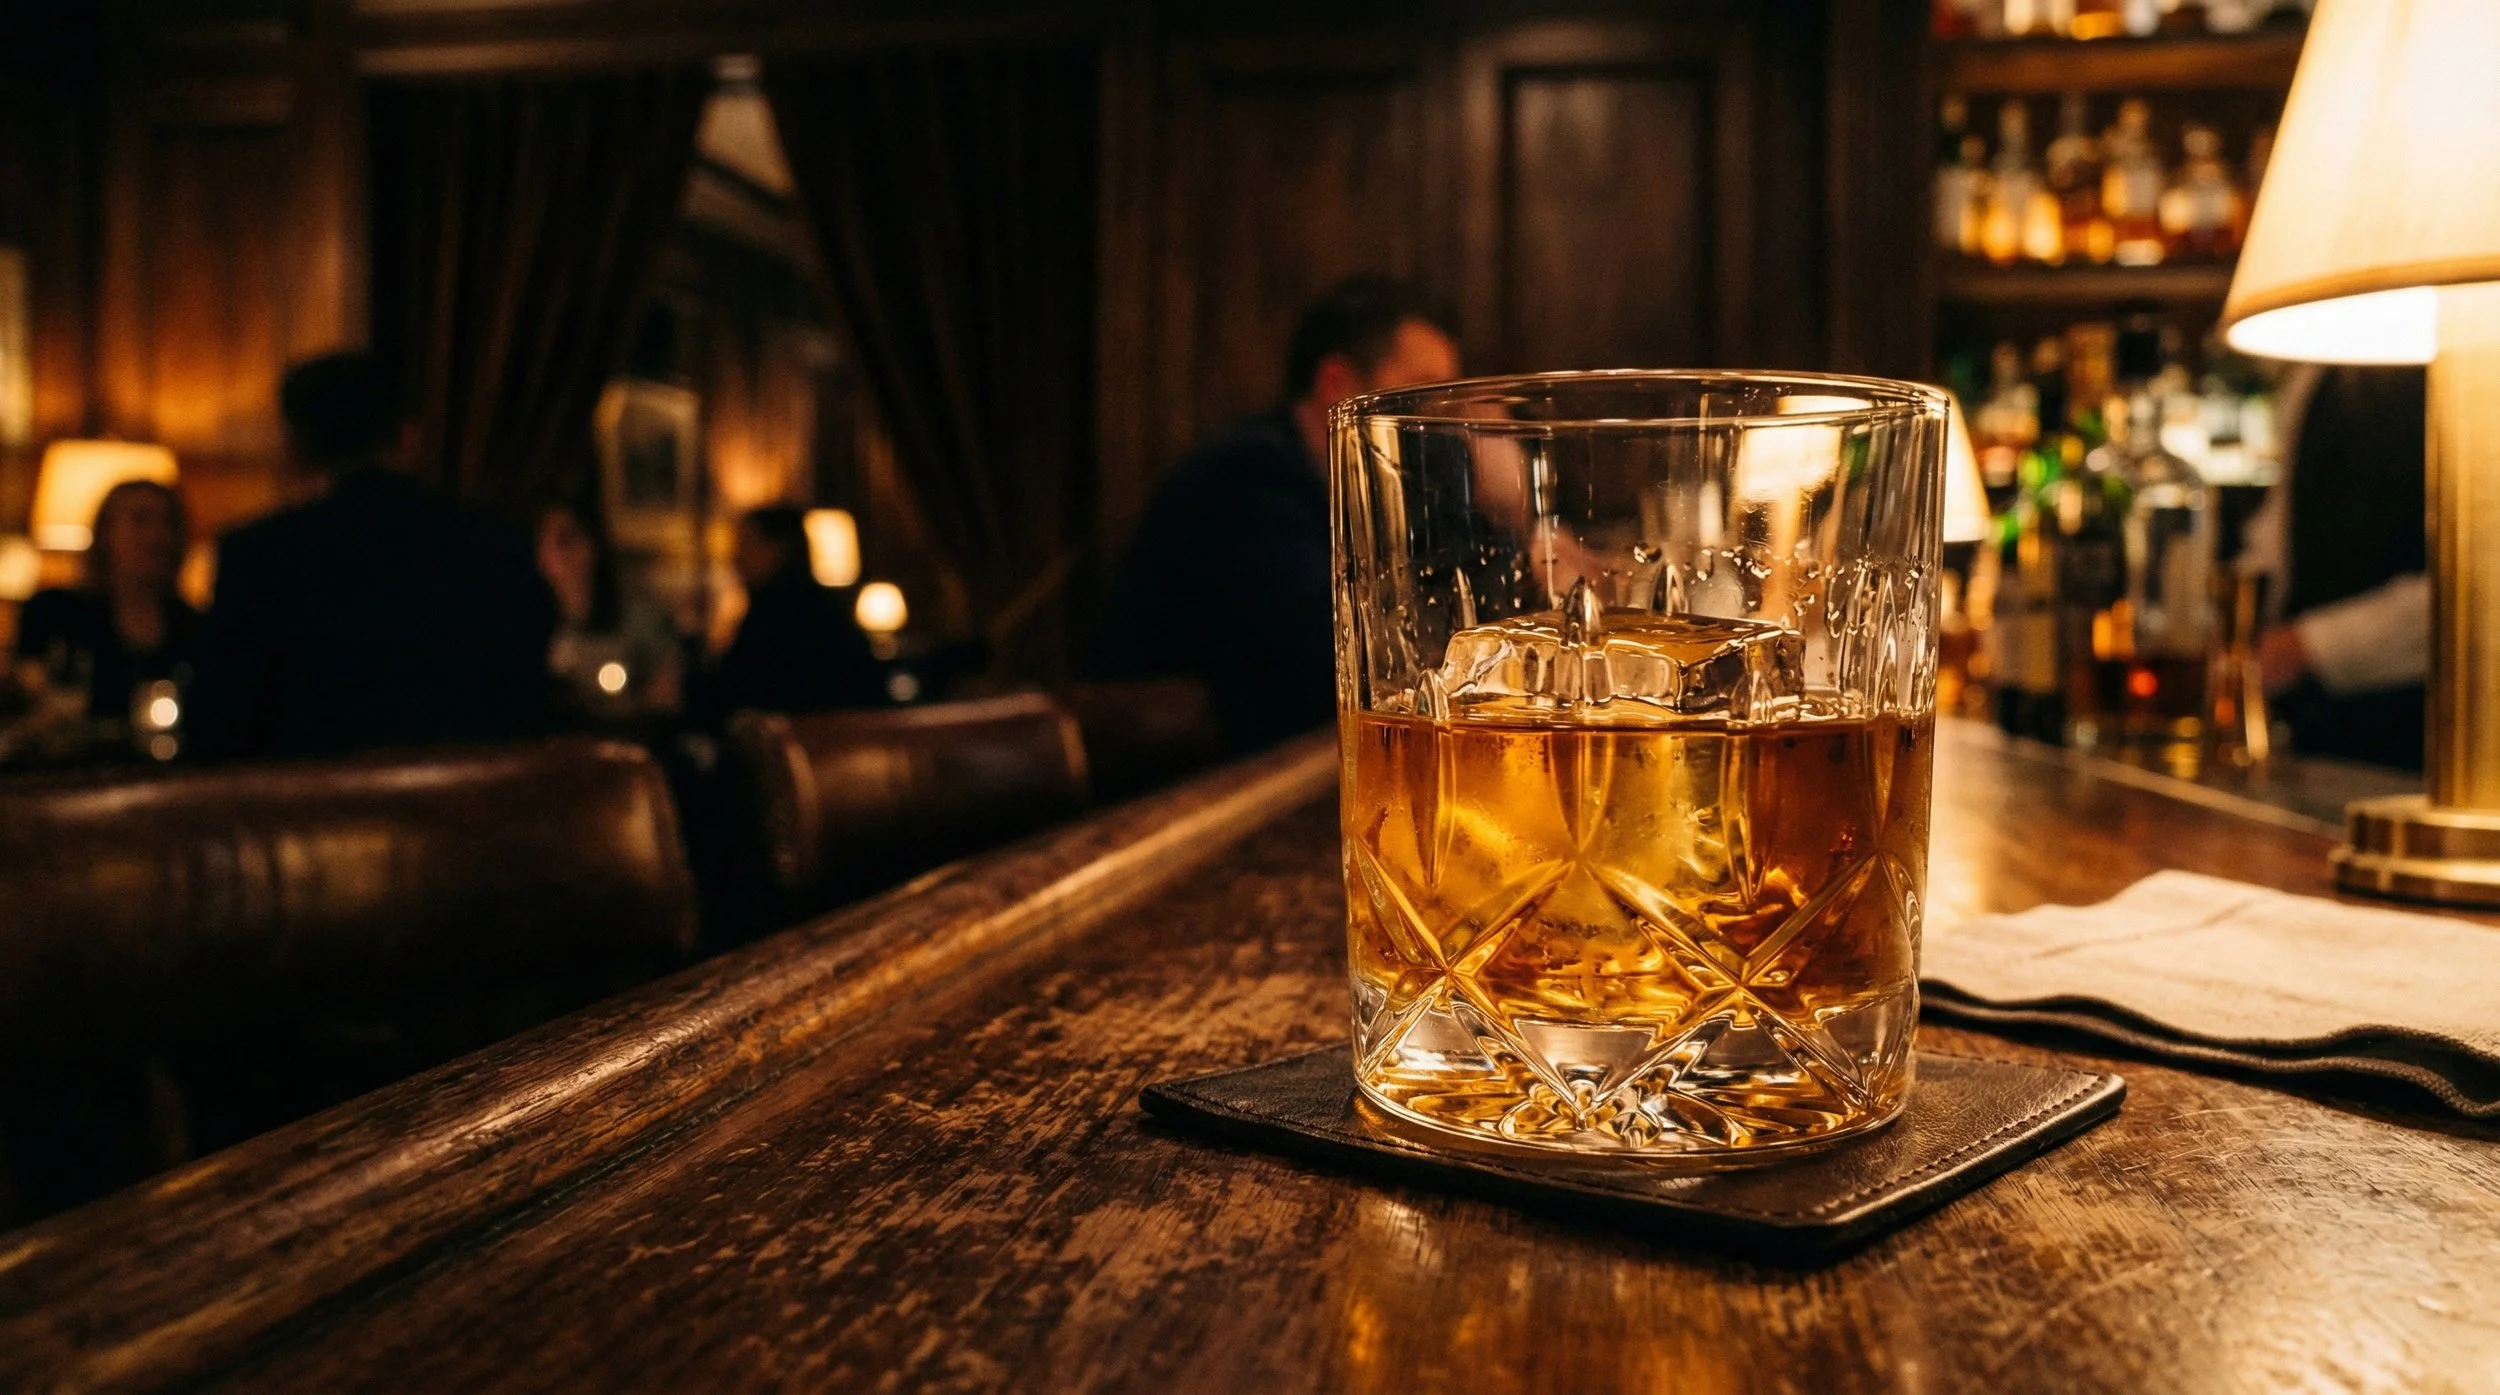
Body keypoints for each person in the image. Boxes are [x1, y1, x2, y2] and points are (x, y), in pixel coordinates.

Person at [1089, 276, 1461, 751]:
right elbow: (1353, 663)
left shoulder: (1379, 491)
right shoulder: (1244, 480)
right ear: (1337, 384)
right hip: (1165, 788)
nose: (1439, 424)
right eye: (1421, 394)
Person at [186, 352, 557, 761]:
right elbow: (528, 702)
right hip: (466, 807)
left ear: (294, 446)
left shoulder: (257, 555)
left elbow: (218, 724)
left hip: (308, 812)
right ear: (408, 436)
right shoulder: (494, 543)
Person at [2242, 364, 2428, 769]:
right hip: (2314, 738)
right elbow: (2280, 530)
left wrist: (2306, 644)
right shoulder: (2314, 374)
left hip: (2422, 737)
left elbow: (2474, 596)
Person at [11, 479, 199, 724]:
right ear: (105, 534)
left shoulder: (196, 628)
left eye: (169, 523)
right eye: (141, 520)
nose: (158, 536)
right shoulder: (54, 612)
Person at [697, 505, 883, 721]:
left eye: (747, 544)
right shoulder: (787, 604)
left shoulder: (784, 611)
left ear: (779, 550)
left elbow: (745, 688)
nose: (735, 557)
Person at [536, 499, 685, 719]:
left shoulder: (640, 617)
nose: (554, 553)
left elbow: (667, 694)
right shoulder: (532, 620)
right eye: (543, 540)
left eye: (565, 540)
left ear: (592, 545)